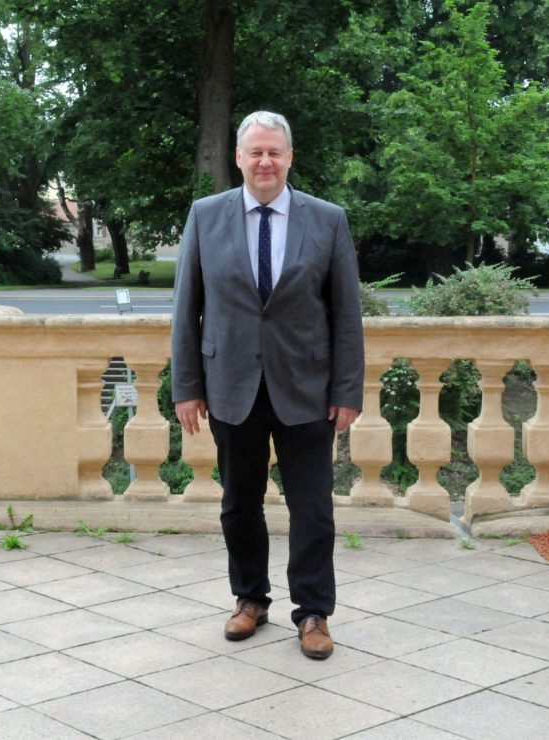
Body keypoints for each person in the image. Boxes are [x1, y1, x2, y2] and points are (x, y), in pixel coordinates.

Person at [171, 111, 364, 659]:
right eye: (255, 152)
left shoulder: (326, 220)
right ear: (238, 158)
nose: (264, 162)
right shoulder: (205, 217)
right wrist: (186, 385)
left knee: (313, 509)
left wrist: (347, 390)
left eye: (274, 152)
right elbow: (187, 307)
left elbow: (346, 315)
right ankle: (249, 599)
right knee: (239, 504)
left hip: (307, 386)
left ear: (289, 157)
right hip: (230, 383)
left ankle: (313, 612)